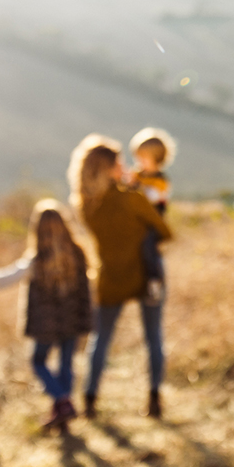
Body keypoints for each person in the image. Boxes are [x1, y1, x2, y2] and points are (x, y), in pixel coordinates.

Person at [68, 134, 173, 420]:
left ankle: (89, 399)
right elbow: (164, 230)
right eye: (119, 162)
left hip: (110, 276)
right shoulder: (132, 199)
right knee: (153, 337)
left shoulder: (86, 206)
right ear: (110, 168)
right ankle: (154, 398)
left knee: (100, 339)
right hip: (146, 273)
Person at [0, 199, 92, 431]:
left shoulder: (37, 259)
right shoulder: (78, 253)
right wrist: (87, 318)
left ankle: (62, 401)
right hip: (71, 321)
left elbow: (8, 278)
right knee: (66, 365)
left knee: (38, 361)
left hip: (46, 324)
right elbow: (87, 291)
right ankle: (62, 410)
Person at [127, 127, 177, 305]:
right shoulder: (138, 175)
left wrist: (136, 186)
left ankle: (154, 282)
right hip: (138, 222)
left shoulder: (161, 180)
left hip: (153, 223)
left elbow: (153, 198)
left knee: (148, 247)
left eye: (143, 158)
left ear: (156, 159)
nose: (139, 162)